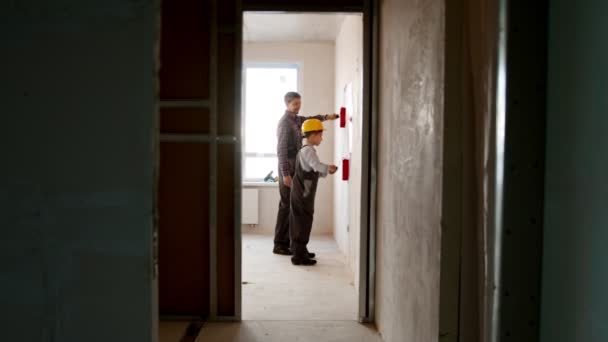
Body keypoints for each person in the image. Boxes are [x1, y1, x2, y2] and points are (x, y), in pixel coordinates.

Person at [274, 92, 338, 255]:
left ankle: (290, 243)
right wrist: (285, 174)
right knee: (286, 205)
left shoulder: (296, 119)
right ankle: (279, 244)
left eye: (299, 103)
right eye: (295, 104)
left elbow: (311, 119)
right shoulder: (284, 123)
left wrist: (327, 117)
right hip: (287, 167)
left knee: (294, 206)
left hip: (295, 165)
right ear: (287, 104)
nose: (298, 106)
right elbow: (281, 150)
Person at [289, 119, 337, 265]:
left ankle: (301, 250)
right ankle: (298, 256)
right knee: (303, 221)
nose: (322, 138)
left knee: (301, 220)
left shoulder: (305, 150)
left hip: (302, 192)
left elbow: (312, 170)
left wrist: (325, 172)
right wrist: (329, 168)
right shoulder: (308, 151)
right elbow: (316, 166)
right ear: (314, 134)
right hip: (304, 193)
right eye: (321, 135)